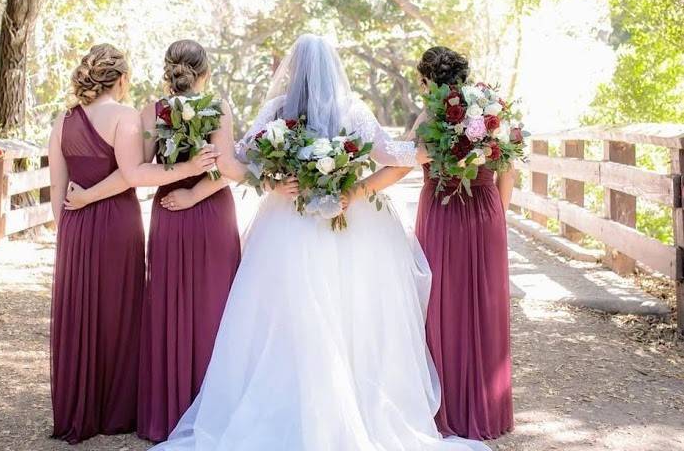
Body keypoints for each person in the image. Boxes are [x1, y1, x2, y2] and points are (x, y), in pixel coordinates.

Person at [151, 34, 489, 451]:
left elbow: (242, 159)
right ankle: (349, 406)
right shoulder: (352, 109)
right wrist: (440, 146)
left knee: (286, 312)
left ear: (293, 70)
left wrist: (275, 182)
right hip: (350, 219)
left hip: (287, 220)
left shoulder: (276, 111)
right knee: (353, 313)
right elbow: (391, 153)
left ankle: (296, 400)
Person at [48, 44, 216, 443]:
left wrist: (67, 226)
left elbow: (57, 183)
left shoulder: (63, 118)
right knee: (119, 313)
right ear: (121, 79)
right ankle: (115, 411)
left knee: (80, 312)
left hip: (74, 224)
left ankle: (78, 409)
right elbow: (132, 174)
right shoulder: (124, 116)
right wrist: (190, 167)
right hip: (115, 222)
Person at [414, 46, 515, 440]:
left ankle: (451, 411)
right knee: (485, 305)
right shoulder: (490, 110)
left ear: (427, 81)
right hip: (486, 211)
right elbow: (508, 169)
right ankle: (488, 410)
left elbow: (406, 158)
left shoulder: (429, 117)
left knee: (443, 304)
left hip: (443, 211)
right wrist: (496, 215)